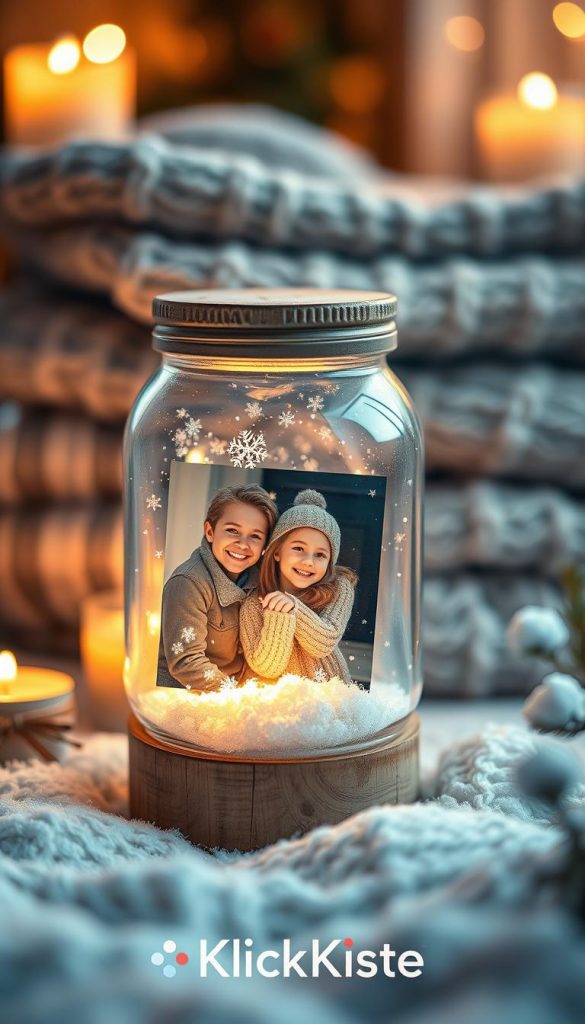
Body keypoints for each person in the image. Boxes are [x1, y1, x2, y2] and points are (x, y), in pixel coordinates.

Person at [157, 485, 278, 691]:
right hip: (186, 694)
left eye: (255, 536)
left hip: (237, 692)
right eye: (232, 531)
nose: (242, 544)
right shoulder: (188, 583)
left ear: (265, 545)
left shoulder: (261, 582)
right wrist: (238, 698)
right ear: (210, 532)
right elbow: (186, 661)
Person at [239, 489, 357, 685]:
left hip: (330, 696)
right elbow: (268, 668)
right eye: (299, 549)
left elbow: (324, 642)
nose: (308, 561)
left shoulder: (339, 589)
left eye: (320, 555)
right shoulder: (253, 606)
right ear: (276, 552)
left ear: (330, 562)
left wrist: (294, 607)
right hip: (281, 701)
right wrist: (279, 615)